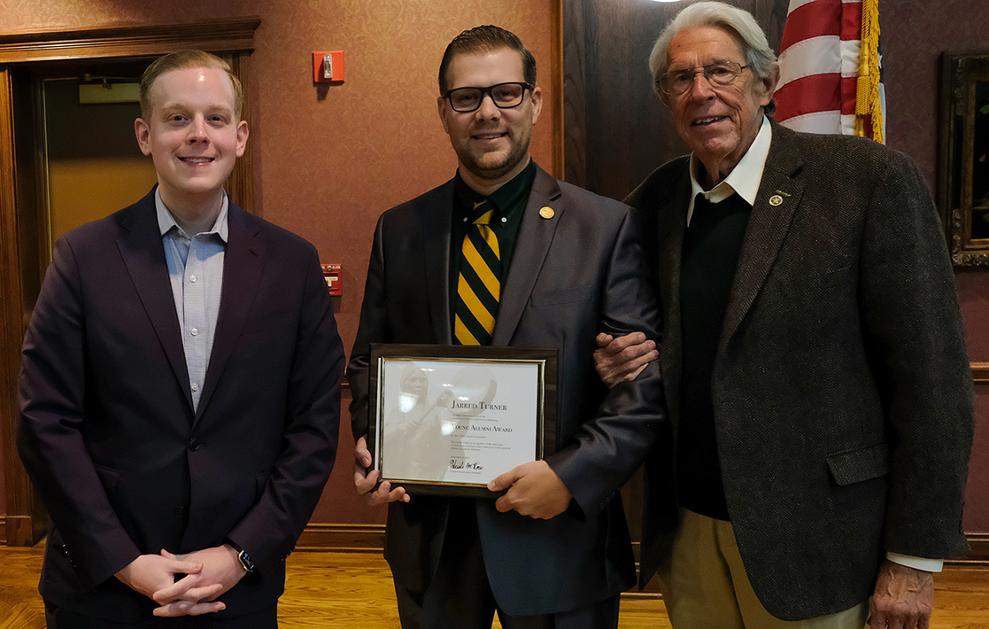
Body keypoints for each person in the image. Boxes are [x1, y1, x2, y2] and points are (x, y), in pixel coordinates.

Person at [593, 3, 974, 628]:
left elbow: (932, 384)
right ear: (666, 98)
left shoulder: (866, 182)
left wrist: (913, 558)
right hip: (688, 535)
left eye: (721, 71)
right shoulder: (650, 204)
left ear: (765, 82)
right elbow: (642, 346)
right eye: (681, 79)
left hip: (822, 544)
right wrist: (616, 362)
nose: (702, 93)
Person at [348, 25, 667, 629]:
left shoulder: (605, 228)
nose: (487, 112)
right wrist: (376, 447)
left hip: (557, 537)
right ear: (444, 111)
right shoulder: (400, 229)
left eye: (507, 93)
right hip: (433, 538)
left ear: (536, 102)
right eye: (467, 97)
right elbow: (369, 360)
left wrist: (571, 476)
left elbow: (639, 386)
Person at [17, 50, 344, 627]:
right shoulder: (82, 257)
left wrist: (243, 552)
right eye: (177, 118)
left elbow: (313, 425)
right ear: (145, 134)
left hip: (235, 585)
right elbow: (45, 420)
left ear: (240, 136)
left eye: (216, 119)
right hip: (102, 586)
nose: (199, 135)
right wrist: (122, 559)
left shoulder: (293, 264)